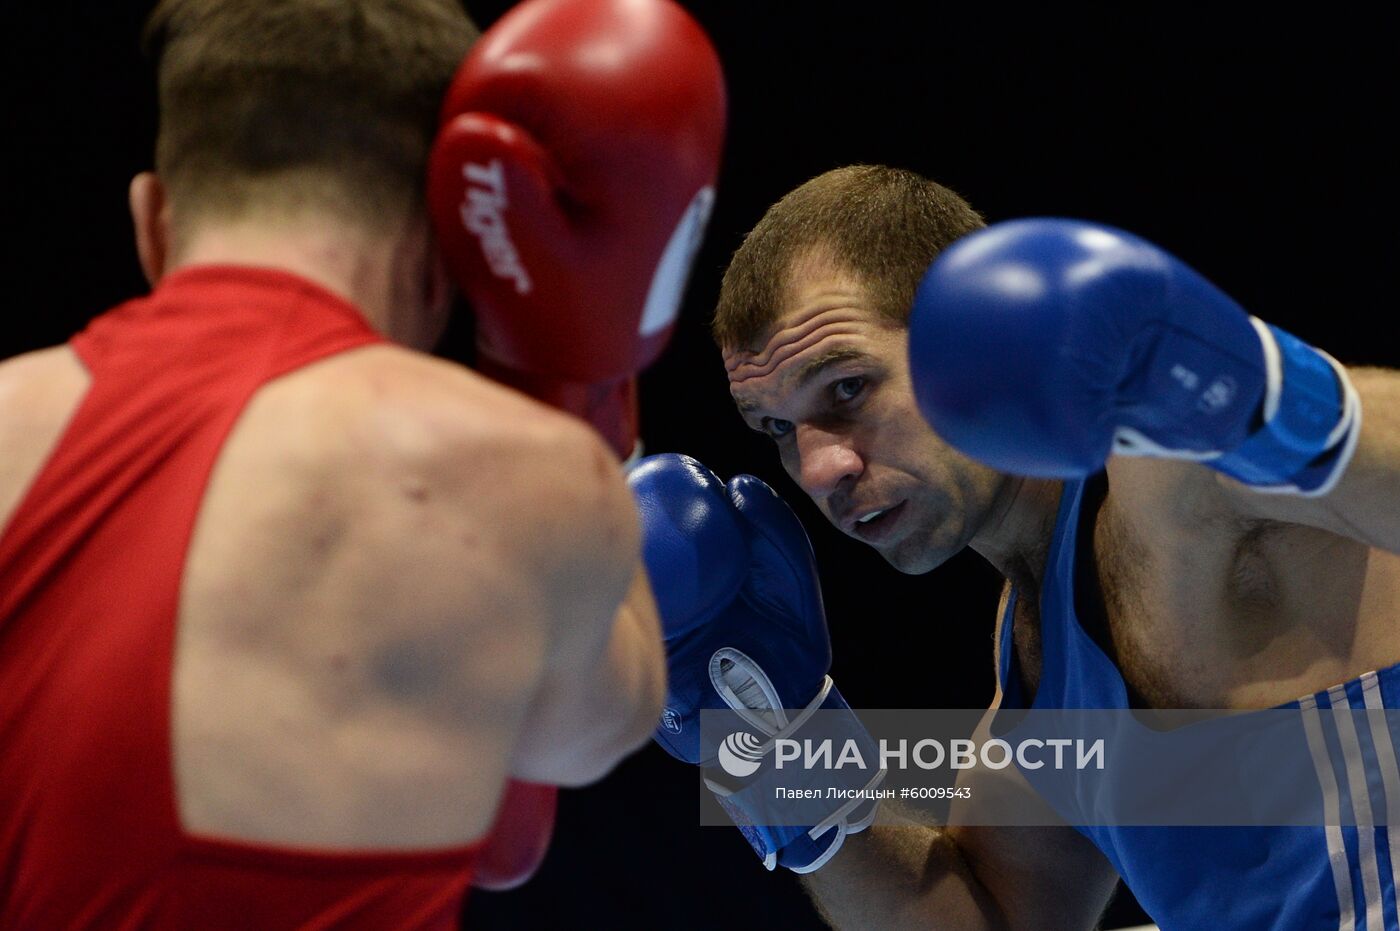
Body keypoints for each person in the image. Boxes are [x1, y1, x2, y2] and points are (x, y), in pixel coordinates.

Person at [0, 0, 724, 926]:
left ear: (152, 219)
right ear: (444, 252)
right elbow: (589, 734)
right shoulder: (521, 477)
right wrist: (574, 368)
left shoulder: (17, 418)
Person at [631, 164, 1400, 929]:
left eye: (847, 388)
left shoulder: (1173, 475)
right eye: (778, 428)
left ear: (970, 340)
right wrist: (779, 747)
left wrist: (1260, 393)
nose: (822, 466)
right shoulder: (1038, 660)